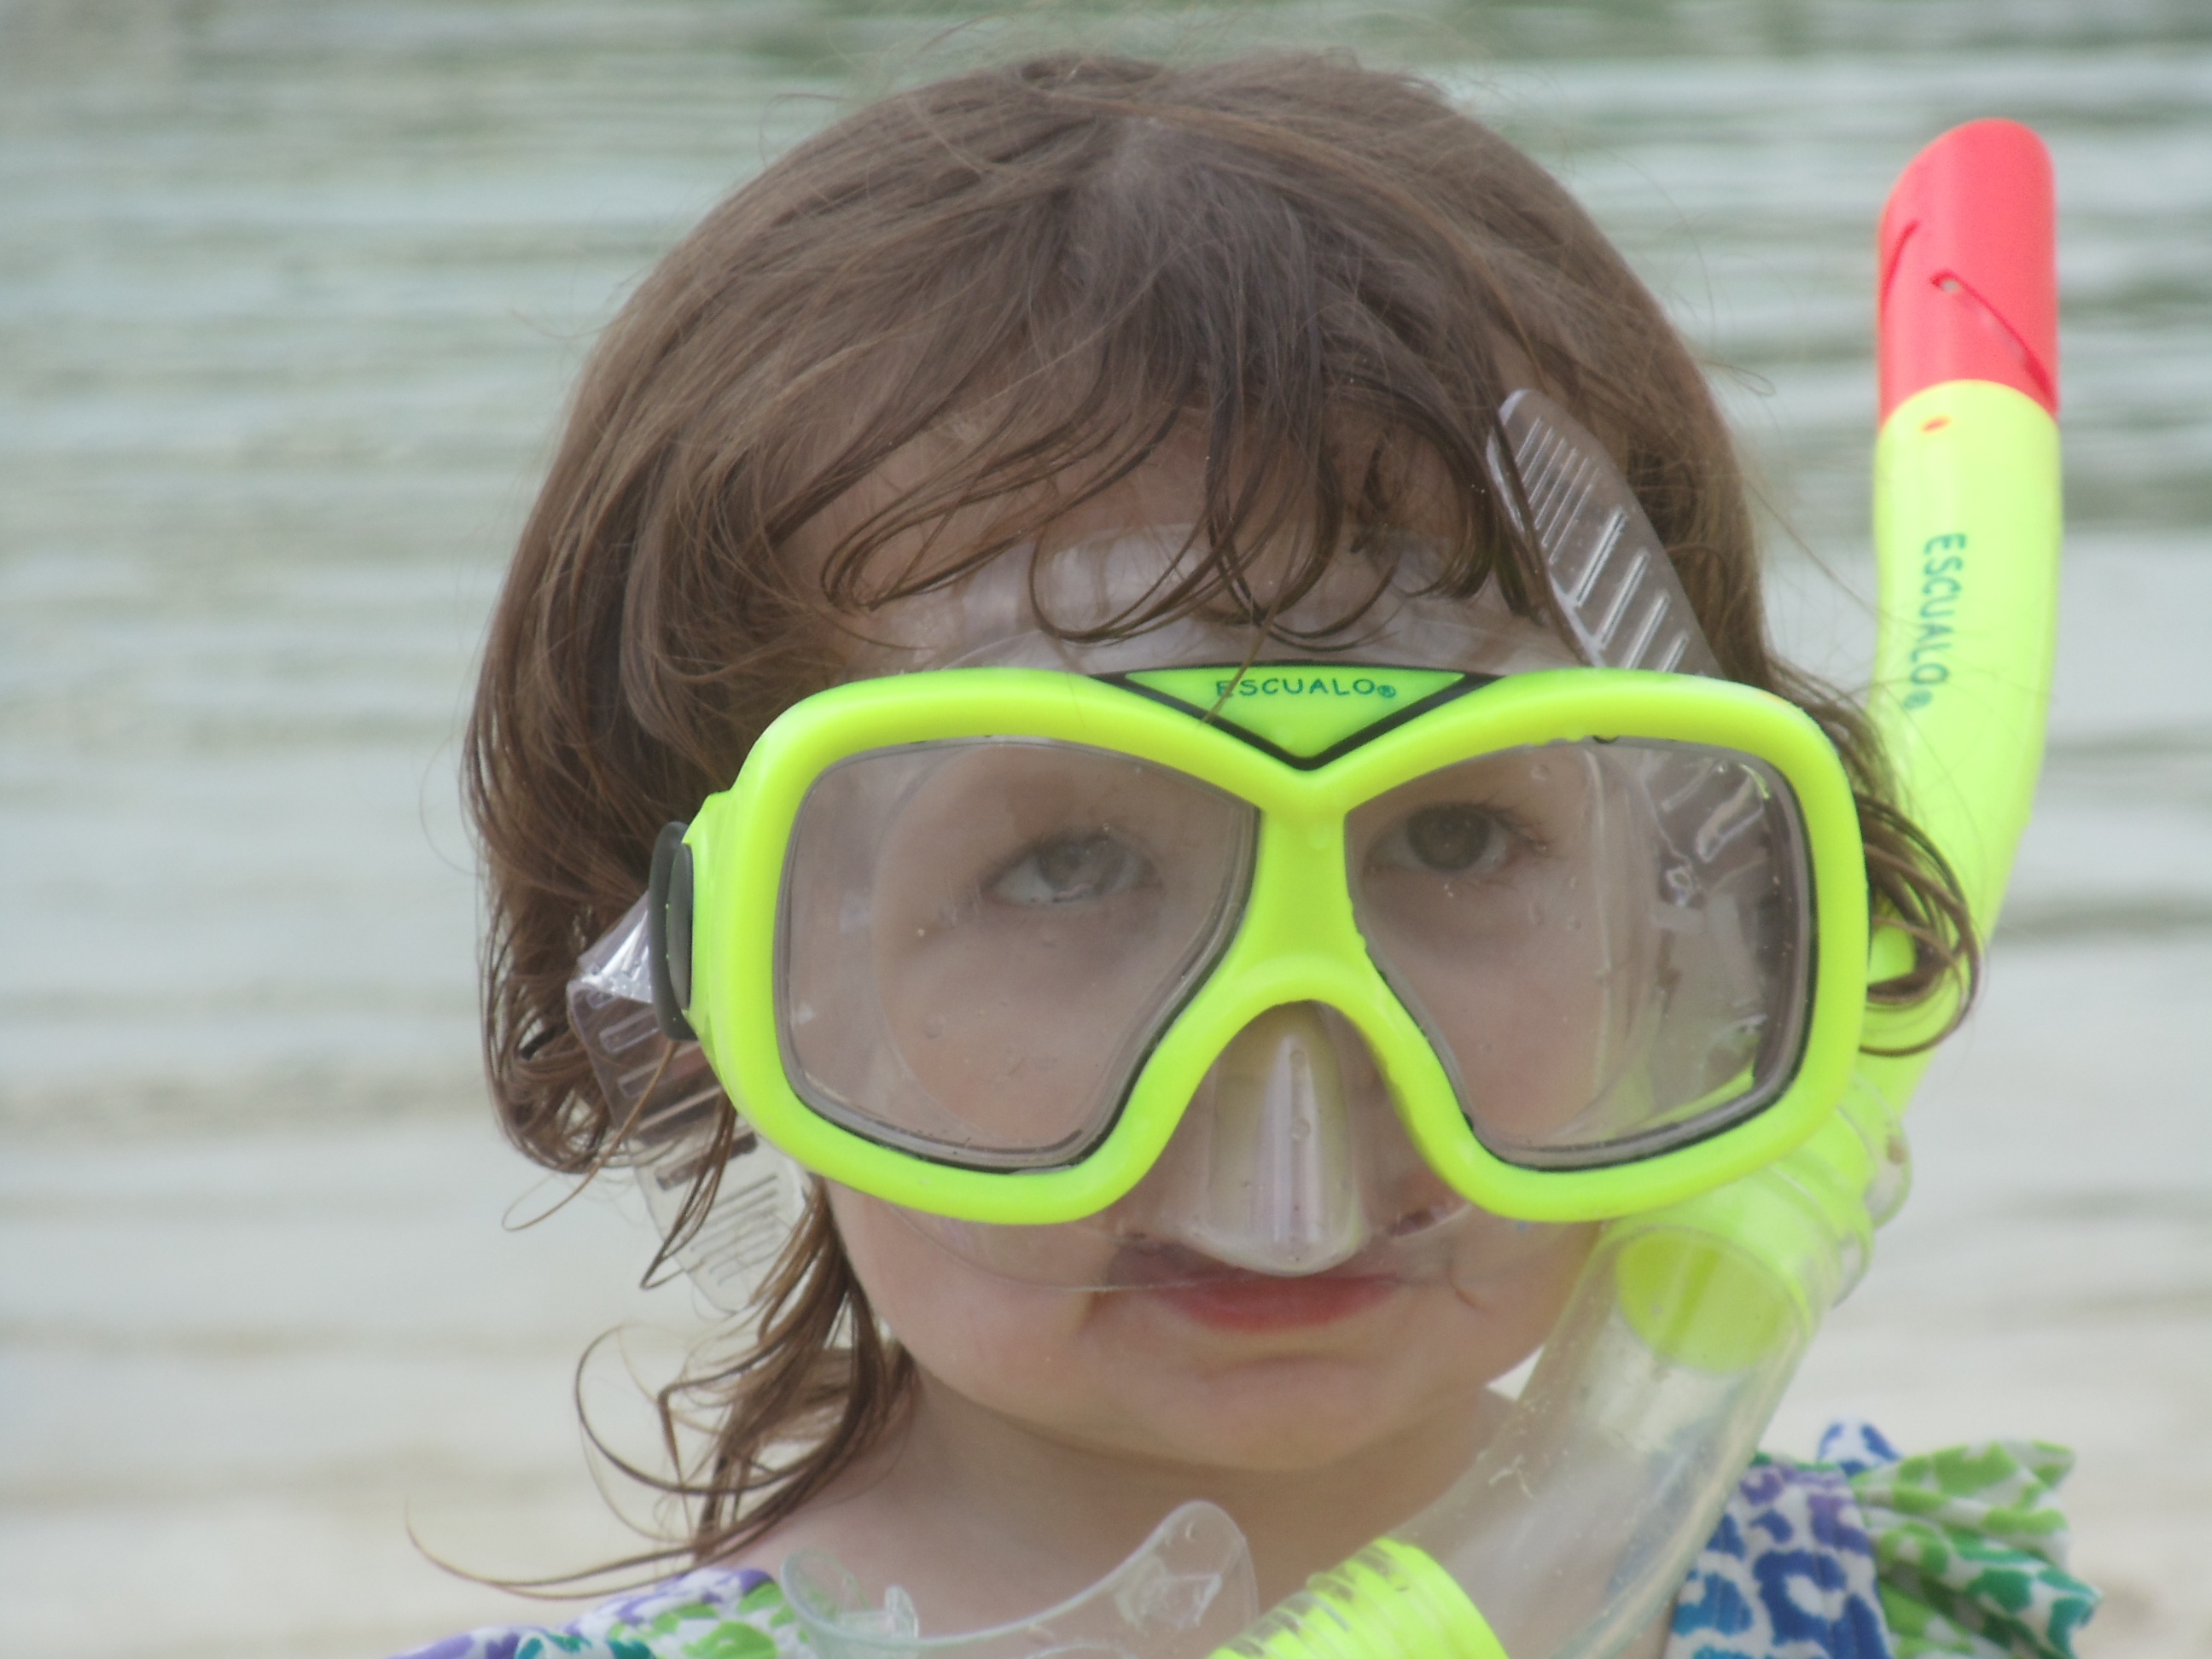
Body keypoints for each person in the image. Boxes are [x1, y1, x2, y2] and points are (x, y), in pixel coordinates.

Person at [406, 52, 2096, 1659]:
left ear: (1702, 933)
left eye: (1453, 834)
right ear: (709, 984)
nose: (1293, 1135)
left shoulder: (1867, 1618)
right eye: (1064, 866)